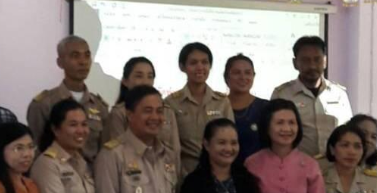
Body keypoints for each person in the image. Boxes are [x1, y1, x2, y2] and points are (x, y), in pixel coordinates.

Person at [27, 36, 109, 164]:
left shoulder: (99, 106)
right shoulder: (44, 104)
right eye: (75, 56)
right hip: (55, 171)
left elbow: (104, 151)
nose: (83, 62)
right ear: (60, 62)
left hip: (90, 173)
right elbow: (36, 149)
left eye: (87, 55)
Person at [271, 36, 352, 158]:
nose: (312, 66)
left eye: (317, 60)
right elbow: (274, 134)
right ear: (295, 63)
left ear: (325, 61)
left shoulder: (339, 94)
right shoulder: (282, 94)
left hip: (334, 165)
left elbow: (348, 131)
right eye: (305, 61)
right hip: (296, 164)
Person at [166, 42, 235, 176]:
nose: (200, 67)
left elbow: (231, 139)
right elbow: (169, 144)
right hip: (184, 172)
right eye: (193, 63)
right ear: (182, 67)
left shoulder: (222, 102)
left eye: (204, 62)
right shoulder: (171, 103)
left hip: (218, 171)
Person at [104, 57, 180, 158]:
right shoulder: (119, 112)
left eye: (150, 77)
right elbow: (117, 152)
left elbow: (175, 150)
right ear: (125, 81)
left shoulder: (167, 111)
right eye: (139, 76)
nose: (145, 82)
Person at [224, 54, 269, 166]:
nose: (243, 77)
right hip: (223, 170)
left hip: (259, 170)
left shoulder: (266, 108)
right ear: (226, 77)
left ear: (254, 76)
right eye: (236, 73)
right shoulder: (217, 106)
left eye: (248, 73)